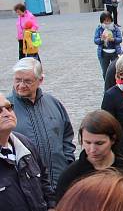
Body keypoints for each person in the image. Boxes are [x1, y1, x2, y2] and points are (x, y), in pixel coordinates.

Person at [9, 58, 75, 187]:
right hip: (27, 186)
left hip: (59, 181)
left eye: (27, 81)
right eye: (18, 80)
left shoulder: (54, 104)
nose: (21, 85)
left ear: (40, 80)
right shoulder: (6, 110)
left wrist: (67, 163)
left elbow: (67, 136)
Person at [55, 109, 123, 201]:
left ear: (113, 140)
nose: (92, 149)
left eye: (99, 143)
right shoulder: (71, 175)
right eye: (87, 142)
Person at [93, 11, 123, 78]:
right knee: (105, 71)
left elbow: (120, 39)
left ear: (111, 20)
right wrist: (101, 39)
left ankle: (116, 85)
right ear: (101, 21)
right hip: (103, 53)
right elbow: (95, 41)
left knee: (116, 70)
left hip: (115, 52)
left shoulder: (115, 28)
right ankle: (107, 86)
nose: (106, 23)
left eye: (108, 20)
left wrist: (113, 39)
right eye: (104, 21)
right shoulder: (99, 29)